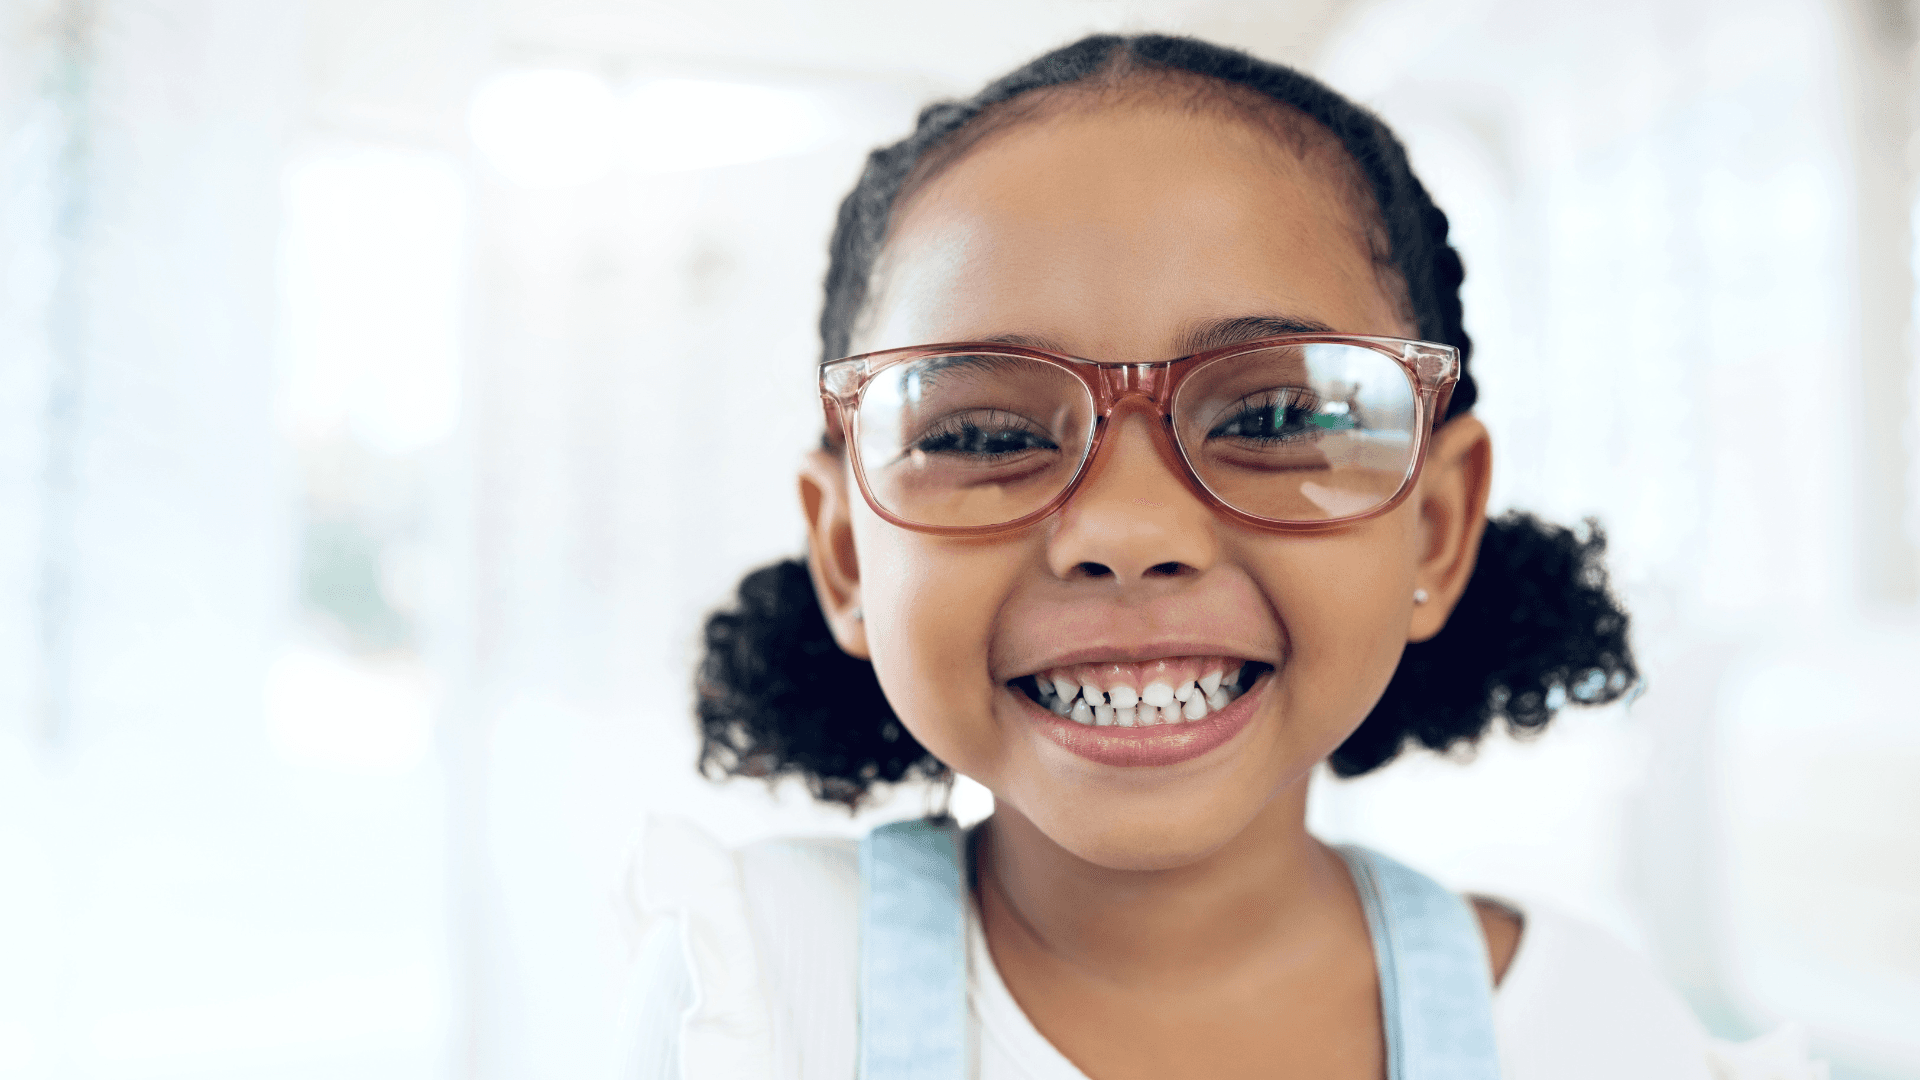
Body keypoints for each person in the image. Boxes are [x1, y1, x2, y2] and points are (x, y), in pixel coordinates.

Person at [629, 34, 1823, 1080]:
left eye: (1274, 418)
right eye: (983, 433)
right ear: (846, 550)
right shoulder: (752, 993)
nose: (1128, 533)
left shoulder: (1590, 1037)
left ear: (1439, 525)